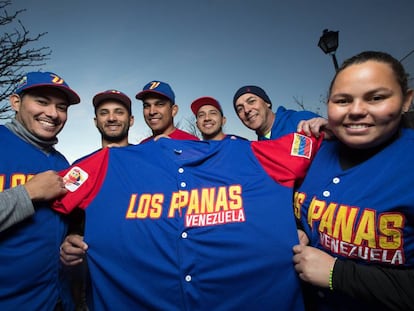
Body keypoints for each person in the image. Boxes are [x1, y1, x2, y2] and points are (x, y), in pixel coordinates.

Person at [57, 131, 323, 310]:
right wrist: (73, 233)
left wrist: (303, 225)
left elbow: (326, 146)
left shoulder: (254, 154)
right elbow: (53, 189)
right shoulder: (109, 162)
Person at [292, 51, 414, 311]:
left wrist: (339, 274)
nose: (357, 110)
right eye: (343, 100)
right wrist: (298, 230)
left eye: (376, 97)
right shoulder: (317, 151)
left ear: (406, 101)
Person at [0, 71, 80, 310]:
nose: (53, 114)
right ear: (15, 102)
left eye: (61, 107)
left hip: (56, 300)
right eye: (42, 102)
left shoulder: (62, 163)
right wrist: (28, 193)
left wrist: (71, 240)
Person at [233, 85, 322, 140]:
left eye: (251, 101)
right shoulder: (259, 149)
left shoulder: (301, 120)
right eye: (240, 109)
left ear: (267, 103)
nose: (246, 110)